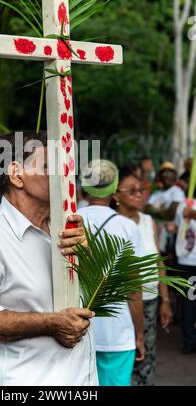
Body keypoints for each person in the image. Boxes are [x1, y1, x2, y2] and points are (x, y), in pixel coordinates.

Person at [0, 131, 97, 386]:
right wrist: (51, 323)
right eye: (50, 166)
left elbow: (94, 295)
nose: (65, 173)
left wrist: (87, 255)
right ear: (17, 175)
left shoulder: (68, 228)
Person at [78, 159, 145, 386]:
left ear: (84, 186)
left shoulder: (68, 220)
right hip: (118, 332)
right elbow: (134, 287)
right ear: (114, 189)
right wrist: (139, 334)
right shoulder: (127, 227)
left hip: (76, 329)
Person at [113, 167, 173, 385]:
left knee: (146, 353)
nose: (139, 195)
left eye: (141, 190)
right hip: (119, 303)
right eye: (132, 190)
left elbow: (159, 263)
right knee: (123, 352)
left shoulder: (149, 222)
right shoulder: (112, 223)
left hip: (148, 300)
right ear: (116, 195)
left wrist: (165, 300)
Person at [175, 198, 196, 354]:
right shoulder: (186, 203)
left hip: (187, 262)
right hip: (188, 263)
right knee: (189, 303)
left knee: (190, 303)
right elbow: (181, 214)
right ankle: (189, 341)